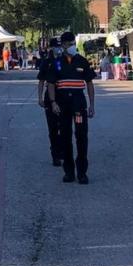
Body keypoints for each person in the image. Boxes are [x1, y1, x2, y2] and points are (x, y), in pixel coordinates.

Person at [48, 31, 96, 184]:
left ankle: (82, 173)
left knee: (81, 137)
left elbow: (89, 83)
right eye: (69, 44)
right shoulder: (57, 63)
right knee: (65, 138)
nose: (72, 47)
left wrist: (91, 105)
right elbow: (50, 83)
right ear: (62, 45)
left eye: (73, 44)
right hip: (63, 105)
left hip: (78, 104)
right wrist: (53, 102)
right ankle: (69, 172)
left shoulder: (82, 61)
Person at [37, 38, 63, 167]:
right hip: (50, 97)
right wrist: (40, 97)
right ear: (50, 48)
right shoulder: (46, 62)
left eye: (60, 46)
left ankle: (62, 150)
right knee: (53, 127)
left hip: (64, 96)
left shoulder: (65, 60)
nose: (58, 49)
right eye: (56, 47)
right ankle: (55, 154)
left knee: (64, 126)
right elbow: (41, 81)